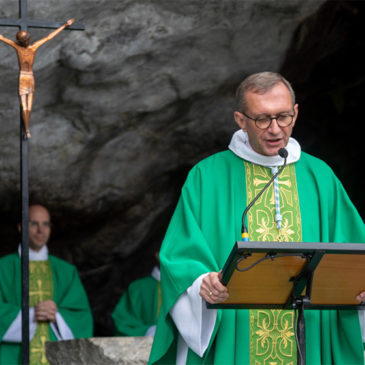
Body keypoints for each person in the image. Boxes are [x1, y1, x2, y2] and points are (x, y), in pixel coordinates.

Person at [148, 72, 365, 364]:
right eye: (262, 119)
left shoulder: (320, 177)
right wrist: (202, 282)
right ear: (240, 120)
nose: (275, 129)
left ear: (296, 113)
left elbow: (354, 252)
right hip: (235, 331)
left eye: (284, 117)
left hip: (308, 330)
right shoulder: (207, 177)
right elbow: (180, 255)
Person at [0, 204, 93, 365]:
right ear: (21, 227)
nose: (40, 230)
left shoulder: (66, 271)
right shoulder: (3, 267)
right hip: (13, 357)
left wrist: (56, 315)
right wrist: (30, 315)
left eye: (45, 224)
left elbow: (82, 317)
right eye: (34, 224)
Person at [0, 19, 74, 139]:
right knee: (25, 106)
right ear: (24, 40)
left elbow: (49, 37)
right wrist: (65, 25)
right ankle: (27, 129)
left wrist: (65, 25)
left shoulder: (27, 47)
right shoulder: (25, 47)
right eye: (25, 40)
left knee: (28, 105)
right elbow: (2, 38)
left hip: (28, 76)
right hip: (25, 76)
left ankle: (27, 129)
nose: (27, 41)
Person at [112, 251, 161, 337]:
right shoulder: (138, 288)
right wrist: (149, 331)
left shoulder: (190, 287)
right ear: (158, 255)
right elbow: (123, 322)